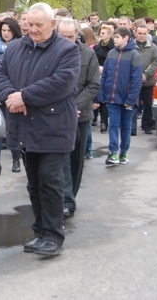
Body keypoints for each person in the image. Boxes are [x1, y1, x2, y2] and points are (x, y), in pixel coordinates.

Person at [0, 2, 80, 257]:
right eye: (29, 25)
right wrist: (11, 96)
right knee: (34, 184)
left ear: (53, 24)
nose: (32, 30)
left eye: (38, 25)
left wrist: (25, 97)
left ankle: (53, 235)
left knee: (50, 183)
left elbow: (61, 83)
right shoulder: (16, 48)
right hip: (25, 129)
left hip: (54, 128)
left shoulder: (67, 50)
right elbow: (0, 75)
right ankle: (40, 231)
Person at [56, 19, 99, 219]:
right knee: (61, 159)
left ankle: (70, 196)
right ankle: (65, 200)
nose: (66, 40)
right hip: (56, 114)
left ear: (77, 35)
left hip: (80, 115)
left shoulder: (88, 54)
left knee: (75, 161)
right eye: (62, 36)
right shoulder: (51, 53)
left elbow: (93, 85)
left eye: (70, 37)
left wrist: (75, 107)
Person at [98, 27, 143, 165]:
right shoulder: (111, 53)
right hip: (112, 97)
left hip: (127, 98)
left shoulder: (134, 55)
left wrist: (130, 99)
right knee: (113, 124)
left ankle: (124, 152)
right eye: (114, 37)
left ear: (126, 38)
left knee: (126, 126)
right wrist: (102, 94)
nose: (115, 39)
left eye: (117, 37)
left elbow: (136, 80)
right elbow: (104, 75)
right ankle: (113, 152)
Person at [0, 17, 23, 176]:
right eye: (3, 30)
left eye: (9, 30)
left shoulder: (21, 46)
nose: (6, 33)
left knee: (13, 128)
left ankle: (16, 158)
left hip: (15, 91)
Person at [133, 25, 157, 136]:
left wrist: (146, 75)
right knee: (133, 104)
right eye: (140, 33)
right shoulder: (130, 46)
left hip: (148, 81)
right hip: (133, 81)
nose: (142, 36)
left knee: (148, 104)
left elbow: (156, 62)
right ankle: (131, 127)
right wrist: (136, 75)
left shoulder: (153, 47)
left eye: (144, 34)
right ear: (135, 33)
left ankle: (147, 125)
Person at [93, 24, 114, 132]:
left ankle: (104, 122)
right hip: (98, 73)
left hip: (109, 74)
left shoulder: (113, 48)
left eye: (103, 33)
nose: (101, 35)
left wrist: (105, 68)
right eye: (100, 32)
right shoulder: (97, 47)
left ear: (109, 35)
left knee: (105, 99)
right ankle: (95, 118)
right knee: (97, 96)